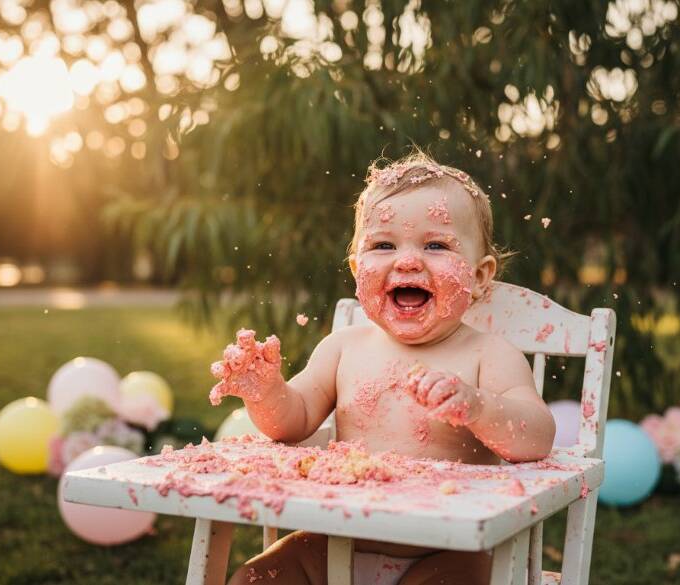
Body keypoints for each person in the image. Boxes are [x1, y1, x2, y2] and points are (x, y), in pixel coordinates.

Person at [219, 152, 556, 585]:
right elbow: (292, 421)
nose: (409, 261)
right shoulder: (343, 347)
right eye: (383, 245)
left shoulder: (488, 354)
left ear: (479, 276)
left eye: (436, 245)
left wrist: (478, 407)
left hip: (447, 550)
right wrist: (265, 393)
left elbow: (537, 436)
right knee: (255, 577)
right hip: (335, 542)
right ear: (358, 269)